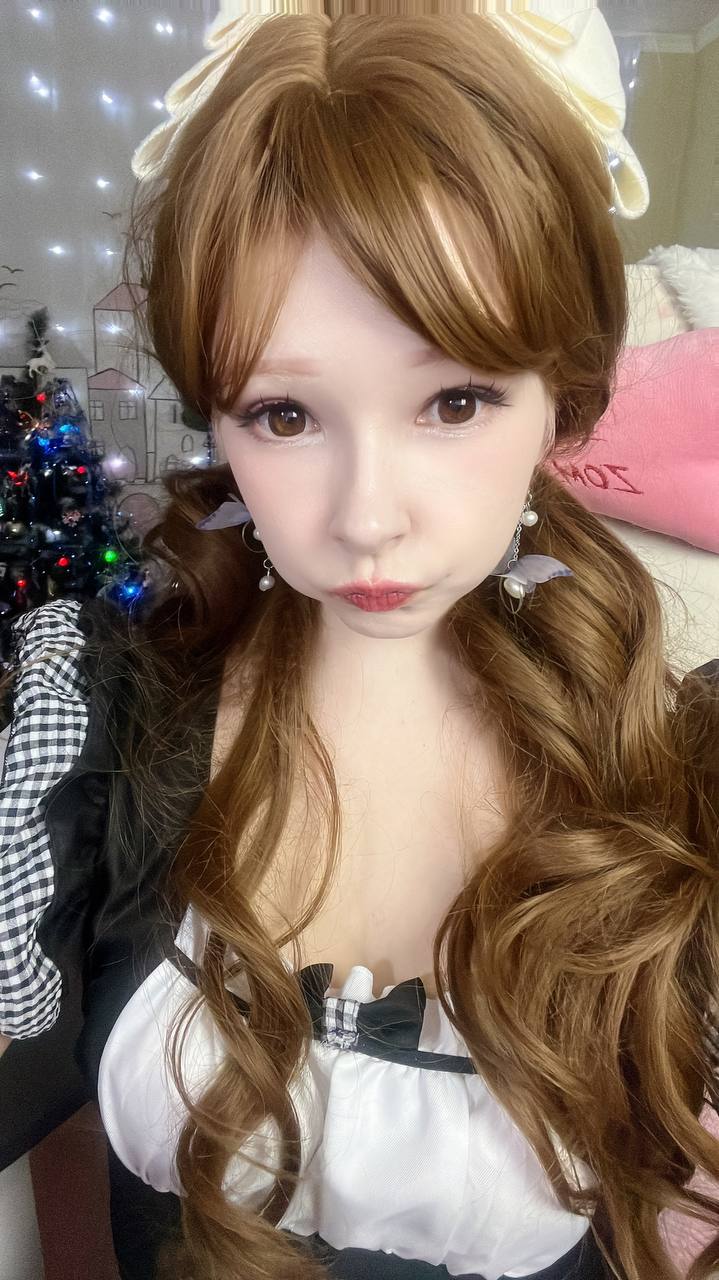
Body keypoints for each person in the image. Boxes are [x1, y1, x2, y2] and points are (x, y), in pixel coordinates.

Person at [1, 5, 719, 1280]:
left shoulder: (670, 766)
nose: (367, 515)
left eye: (454, 399)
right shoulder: (102, 722)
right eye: (284, 413)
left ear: (558, 397)